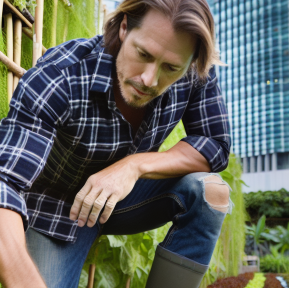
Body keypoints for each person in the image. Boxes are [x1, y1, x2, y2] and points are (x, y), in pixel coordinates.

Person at [0, 0, 231, 287]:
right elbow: (4, 184)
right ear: (124, 27)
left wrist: (132, 166)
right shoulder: (62, 76)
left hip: (127, 197)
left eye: (171, 67)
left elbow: (215, 144)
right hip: (57, 206)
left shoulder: (192, 70)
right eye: (143, 54)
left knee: (210, 192)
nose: (150, 79)